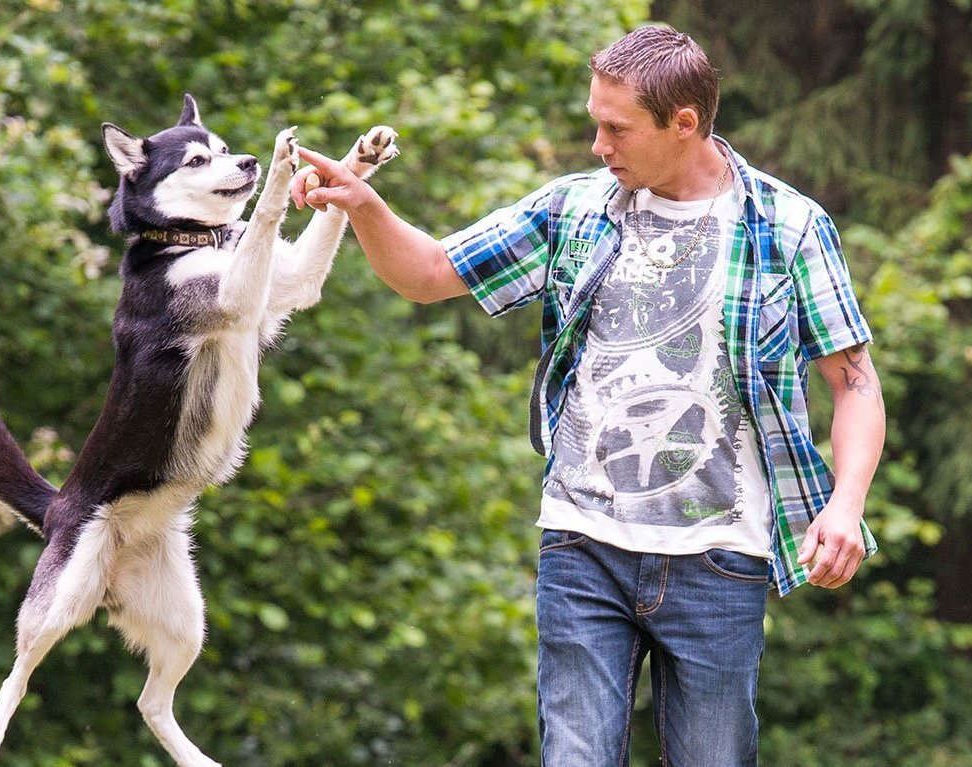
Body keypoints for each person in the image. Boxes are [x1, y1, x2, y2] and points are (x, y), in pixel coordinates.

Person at [291, 24, 885, 767]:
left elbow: (853, 382)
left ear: (684, 124)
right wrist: (361, 205)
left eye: (615, 128)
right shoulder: (574, 210)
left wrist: (846, 503)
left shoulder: (790, 228)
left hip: (721, 556)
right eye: (593, 123)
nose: (598, 145)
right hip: (582, 544)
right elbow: (429, 273)